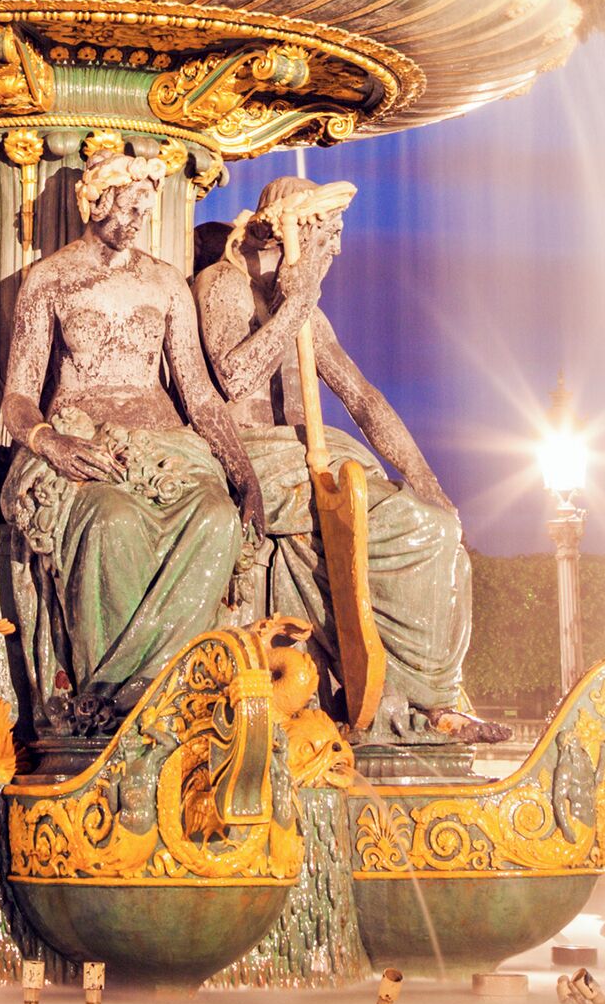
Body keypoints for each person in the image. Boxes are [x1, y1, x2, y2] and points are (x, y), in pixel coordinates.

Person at [192, 178, 504, 742]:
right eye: (327, 234)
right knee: (415, 530)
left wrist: (427, 480)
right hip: (255, 453)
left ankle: (430, 695)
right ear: (292, 230)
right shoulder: (223, 286)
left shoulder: (306, 311)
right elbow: (233, 379)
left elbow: (361, 398)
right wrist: (297, 300)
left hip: (314, 453)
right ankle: (417, 699)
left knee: (440, 529)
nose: (335, 249)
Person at [0, 149, 257, 734]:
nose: (138, 219)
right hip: (82, 442)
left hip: (168, 447)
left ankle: (181, 681)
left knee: (217, 518)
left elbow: (199, 394)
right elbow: (16, 395)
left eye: (146, 208)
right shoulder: (51, 279)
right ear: (94, 201)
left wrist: (244, 474)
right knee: (111, 521)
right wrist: (48, 442)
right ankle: (113, 689)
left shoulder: (166, 283)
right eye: (128, 206)